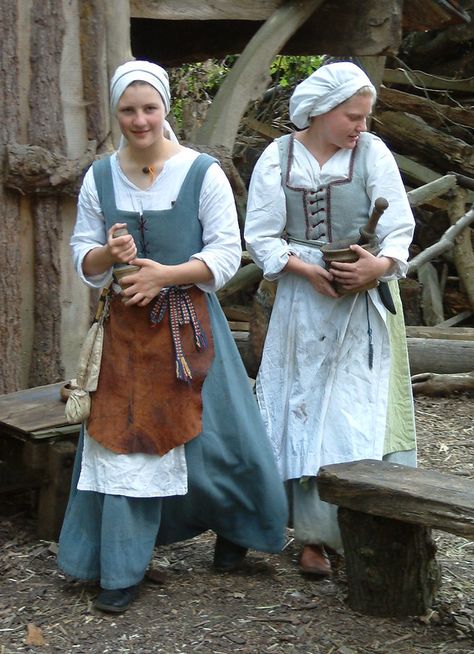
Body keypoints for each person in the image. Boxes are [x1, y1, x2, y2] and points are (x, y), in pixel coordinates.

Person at [57, 60, 287, 613]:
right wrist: (107, 255)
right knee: (127, 443)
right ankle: (119, 566)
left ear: (165, 109)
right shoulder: (100, 176)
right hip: (127, 336)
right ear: (117, 113)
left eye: (149, 108)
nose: (140, 120)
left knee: (223, 440)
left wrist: (165, 274)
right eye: (128, 110)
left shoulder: (200, 172)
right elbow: (81, 254)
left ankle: (241, 527)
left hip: (191, 327)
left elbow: (227, 254)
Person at [244, 62, 416, 578]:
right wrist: (306, 269)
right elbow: (261, 235)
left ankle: (370, 524)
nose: (361, 126)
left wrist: (376, 267)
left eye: (365, 116)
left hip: (361, 306)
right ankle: (313, 537)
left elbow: (402, 227)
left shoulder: (372, 154)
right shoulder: (278, 158)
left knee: (353, 412)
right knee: (303, 410)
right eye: (352, 115)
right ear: (320, 111)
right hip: (302, 302)